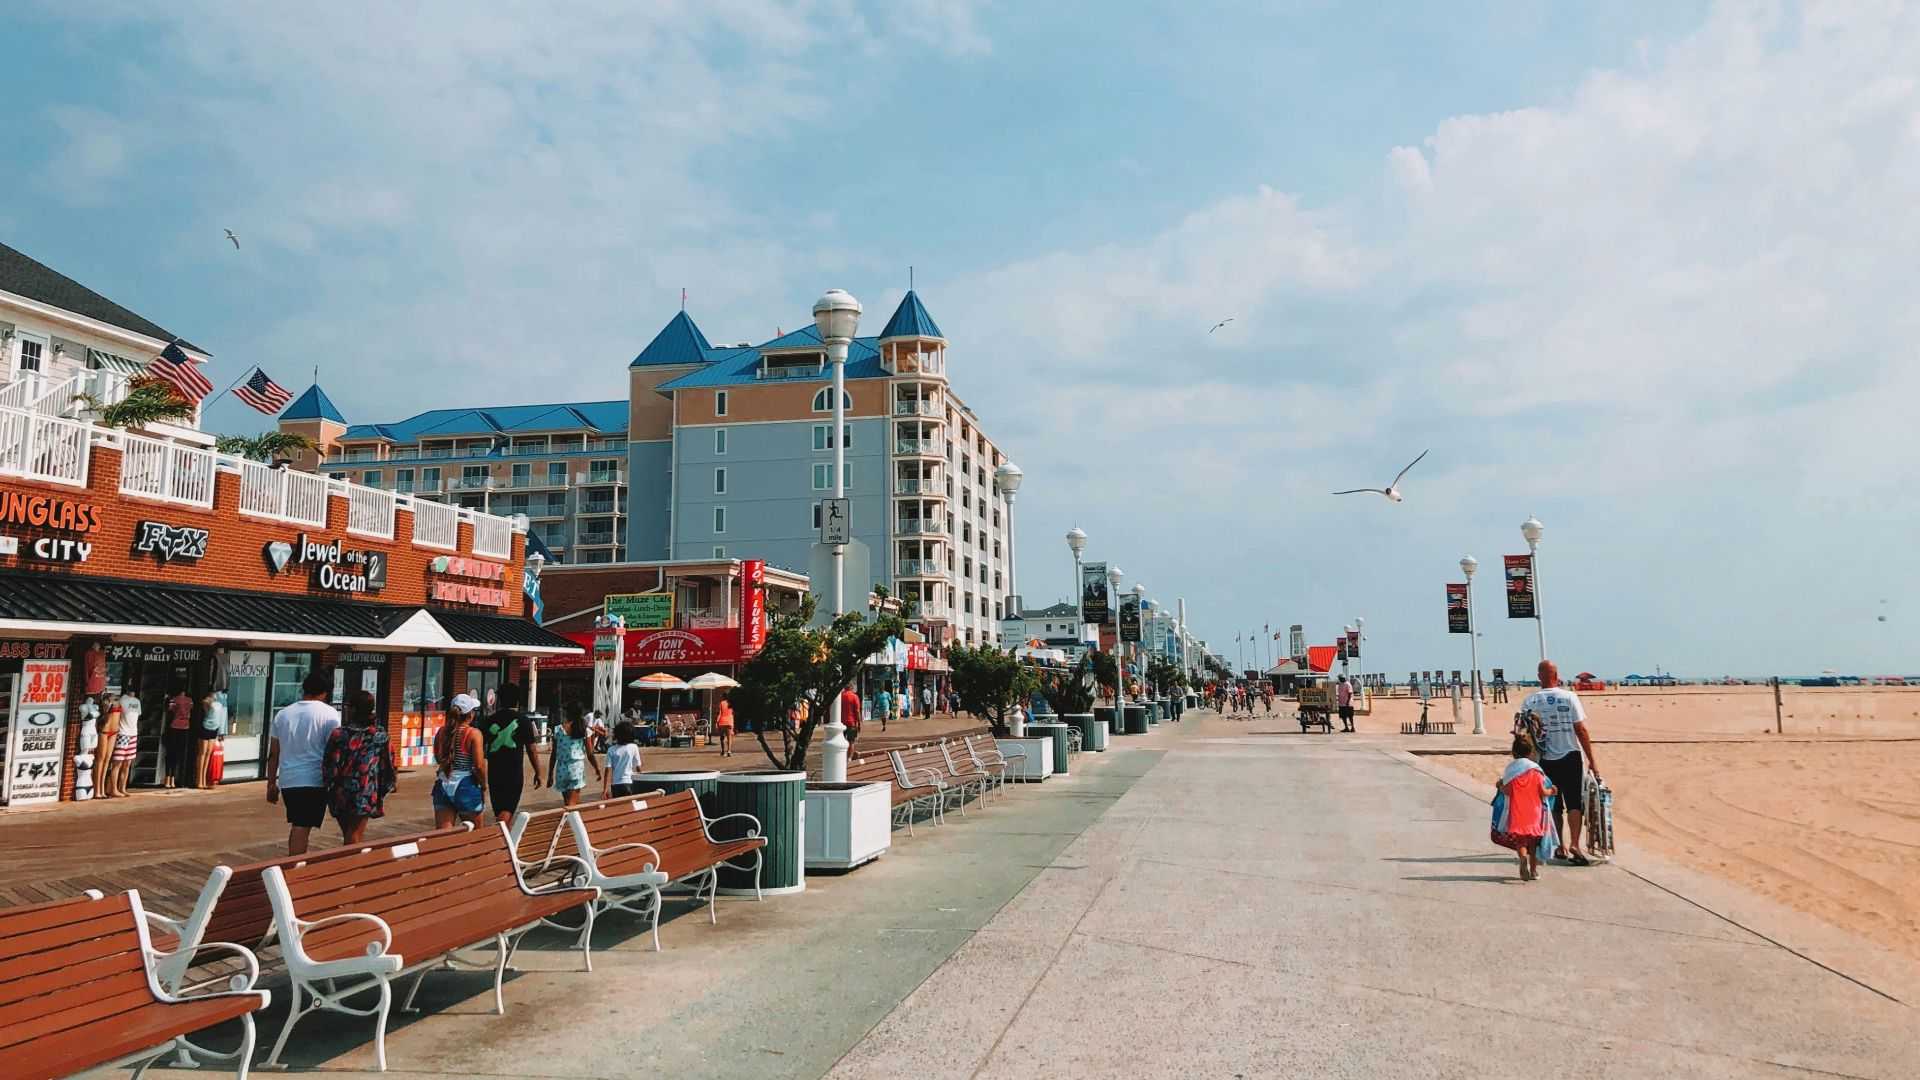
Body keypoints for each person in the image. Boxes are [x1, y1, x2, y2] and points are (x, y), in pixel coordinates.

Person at [1520, 660, 1600, 865]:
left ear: (1540, 677)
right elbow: (1580, 729)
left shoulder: (1530, 701)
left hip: (1545, 758)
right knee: (1574, 802)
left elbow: (1524, 734)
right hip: (1571, 755)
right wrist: (1592, 760)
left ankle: (1560, 846)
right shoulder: (1570, 697)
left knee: (1553, 803)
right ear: (1557, 676)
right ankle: (1575, 844)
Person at [266, 671, 342, 856]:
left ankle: (293, 861)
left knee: (298, 823)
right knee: (302, 826)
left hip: (288, 781)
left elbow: (274, 753)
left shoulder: (283, 714)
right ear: (324, 693)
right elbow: (335, 748)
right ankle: (295, 868)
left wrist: (271, 783)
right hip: (313, 779)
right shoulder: (329, 714)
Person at [323, 689, 396, 844]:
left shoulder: (339, 734)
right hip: (365, 791)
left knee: (349, 836)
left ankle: (350, 865)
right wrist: (385, 788)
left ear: (353, 709)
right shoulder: (379, 734)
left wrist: (327, 786)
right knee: (354, 836)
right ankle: (352, 866)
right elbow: (389, 764)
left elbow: (328, 763)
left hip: (340, 792)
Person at [1491, 732, 1556, 880]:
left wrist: (1500, 785)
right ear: (1531, 753)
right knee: (1533, 844)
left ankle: (1522, 859)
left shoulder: (1512, 770)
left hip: (1518, 812)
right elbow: (1542, 792)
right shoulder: (1536, 770)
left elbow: (1507, 791)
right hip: (1534, 812)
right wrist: (1551, 791)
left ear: (1513, 753)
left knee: (1521, 842)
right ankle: (1533, 871)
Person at [481, 682, 541, 823]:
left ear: (500, 699)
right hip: (513, 771)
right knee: (508, 809)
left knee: (500, 809)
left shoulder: (490, 721)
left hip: (494, 771)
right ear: (518, 699)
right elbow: (532, 750)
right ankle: (501, 838)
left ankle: (503, 838)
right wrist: (538, 772)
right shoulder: (523, 721)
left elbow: (480, 746)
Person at [433, 693, 488, 827]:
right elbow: (479, 766)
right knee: (475, 836)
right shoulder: (473, 734)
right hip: (466, 785)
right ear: (470, 714)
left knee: (443, 837)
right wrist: (484, 785)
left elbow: (439, 758)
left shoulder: (441, 732)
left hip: (443, 783)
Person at [547, 701, 601, 806]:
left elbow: (553, 754)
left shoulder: (558, 729)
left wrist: (550, 774)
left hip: (561, 769)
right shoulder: (584, 729)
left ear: (567, 713)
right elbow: (590, 754)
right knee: (570, 805)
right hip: (576, 768)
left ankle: (567, 821)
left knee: (567, 803)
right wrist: (597, 768)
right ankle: (569, 821)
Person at [194, 690, 227, 790]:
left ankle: (204, 779)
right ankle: (199, 779)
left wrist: (222, 732)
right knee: (202, 753)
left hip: (214, 728)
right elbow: (205, 703)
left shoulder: (219, 704)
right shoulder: (207, 702)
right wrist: (209, 700)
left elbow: (222, 717)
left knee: (208, 753)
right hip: (205, 727)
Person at [163, 688, 194, 788]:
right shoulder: (190, 700)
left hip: (173, 727)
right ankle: (173, 778)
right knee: (178, 754)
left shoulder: (173, 699)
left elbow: (168, 710)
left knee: (170, 754)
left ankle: (168, 777)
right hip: (185, 727)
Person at [605, 721, 641, 797]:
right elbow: (638, 767)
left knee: (618, 806)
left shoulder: (611, 749)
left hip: (615, 784)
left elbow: (608, 769)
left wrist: (605, 788)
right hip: (629, 781)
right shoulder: (633, 747)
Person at [840, 684, 864, 750]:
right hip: (851, 722)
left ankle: (842, 756)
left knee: (840, 741)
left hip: (840, 722)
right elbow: (857, 711)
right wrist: (859, 723)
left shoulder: (839, 696)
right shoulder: (854, 696)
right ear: (851, 688)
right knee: (851, 741)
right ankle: (849, 758)